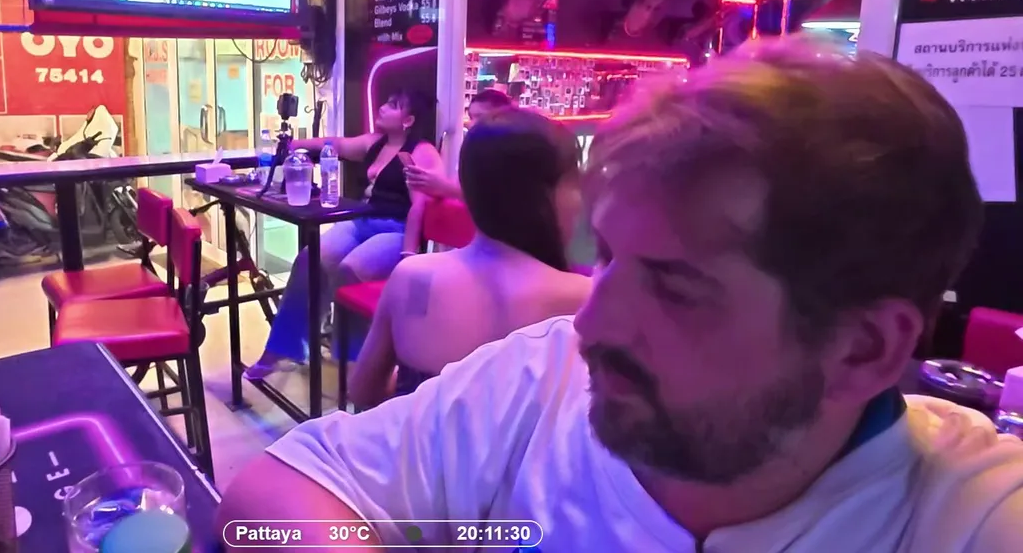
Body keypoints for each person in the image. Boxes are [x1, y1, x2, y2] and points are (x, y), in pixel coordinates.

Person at [218, 39, 1023, 551]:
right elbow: (275, 490)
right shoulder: (540, 379)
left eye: (673, 285)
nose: (593, 320)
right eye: (606, 257)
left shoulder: (971, 515)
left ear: (863, 348)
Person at [348, 108, 589, 409]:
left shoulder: (412, 277)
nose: (581, 200)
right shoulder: (584, 299)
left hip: (418, 438)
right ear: (543, 197)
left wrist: (421, 390)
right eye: (575, 183)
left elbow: (363, 394)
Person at [244, 90, 442, 381]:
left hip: (396, 229)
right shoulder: (375, 142)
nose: (383, 107)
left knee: (350, 270)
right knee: (310, 260)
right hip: (361, 221)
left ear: (408, 120)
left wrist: (409, 255)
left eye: (393, 105)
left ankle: (355, 362)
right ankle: (284, 348)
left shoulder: (422, 151)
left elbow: (421, 205)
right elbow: (335, 144)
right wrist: (293, 145)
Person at [403, 88, 513, 201]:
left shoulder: (513, 151)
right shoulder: (475, 150)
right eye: (471, 117)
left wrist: (443, 187)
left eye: (480, 117)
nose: (472, 124)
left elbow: (499, 200)